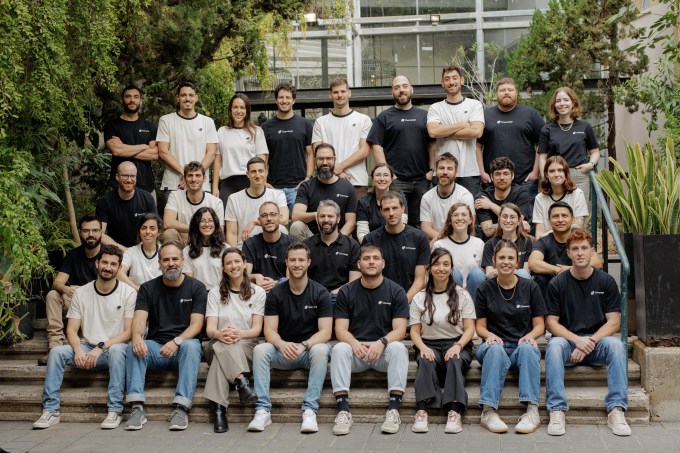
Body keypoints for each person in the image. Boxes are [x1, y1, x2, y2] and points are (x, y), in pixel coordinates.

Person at [33, 245, 136, 430]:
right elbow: (72, 330)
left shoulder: (128, 293)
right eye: (104, 262)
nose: (108, 267)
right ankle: (50, 410)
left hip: (112, 350)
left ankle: (115, 410)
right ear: (97, 263)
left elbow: (128, 332)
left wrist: (101, 347)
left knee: (117, 350)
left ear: (119, 268)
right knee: (56, 352)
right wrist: (78, 349)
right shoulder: (82, 293)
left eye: (113, 264)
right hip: (87, 348)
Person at [544, 229, 631, 437]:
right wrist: (577, 341)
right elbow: (551, 323)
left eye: (584, 248)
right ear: (568, 253)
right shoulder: (557, 283)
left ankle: (616, 409)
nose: (580, 253)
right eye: (575, 249)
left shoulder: (606, 281)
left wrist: (588, 342)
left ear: (593, 251)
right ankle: (556, 409)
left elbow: (614, 322)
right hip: (568, 344)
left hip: (596, 343)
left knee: (617, 345)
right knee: (554, 346)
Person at [248, 243, 332, 434]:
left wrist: (304, 345)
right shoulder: (276, 293)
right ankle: (262, 410)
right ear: (286, 262)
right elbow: (269, 330)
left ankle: (310, 410)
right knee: (260, 349)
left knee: (321, 349)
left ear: (308, 262)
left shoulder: (320, 292)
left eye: (301, 260)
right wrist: (281, 344)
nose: (297, 264)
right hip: (283, 351)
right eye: (292, 260)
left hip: (309, 351)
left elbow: (326, 332)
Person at [125, 242, 206, 431]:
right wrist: (136, 337)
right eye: (166, 260)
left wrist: (177, 341)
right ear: (159, 263)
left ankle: (181, 408)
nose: (171, 263)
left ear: (183, 261)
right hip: (157, 349)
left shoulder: (196, 287)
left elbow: (196, 325)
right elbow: (139, 320)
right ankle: (136, 408)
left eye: (175, 259)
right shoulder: (147, 288)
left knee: (192, 345)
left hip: (183, 349)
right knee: (133, 347)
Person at [331, 244, 410, 436]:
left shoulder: (396, 291)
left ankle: (394, 410)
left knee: (399, 348)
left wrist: (381, 342)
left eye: (375, 258)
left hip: (383, 354)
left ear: (383, 263)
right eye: (366, 258)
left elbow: (400, 330)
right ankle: (343, 411)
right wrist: (355, 344)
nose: (371, 262)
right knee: (339, 349)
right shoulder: (346, 292)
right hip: (357, 353)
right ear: (359, 264)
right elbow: (340, 329)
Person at [474, 240, 547, 434]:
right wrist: (489, 335)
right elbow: (479, 327)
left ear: (517, 262)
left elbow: (540, 325)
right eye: (501, 258)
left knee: (529, 347)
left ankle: (532, 411)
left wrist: (530, 336)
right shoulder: (484, 289)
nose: (506, 262)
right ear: (494, 260)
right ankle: (488, 411)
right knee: (495, 349)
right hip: (492, 348)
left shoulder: (531, 287)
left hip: (519, 349)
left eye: (510, 258)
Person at [409, 248, 476, 434]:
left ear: (451, 268)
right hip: (428, 343)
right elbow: (414, 331)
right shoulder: (419, 297)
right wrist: (422, 347)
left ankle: (454, 411)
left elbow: (470, 329)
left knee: (454, 359)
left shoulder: (462, 295)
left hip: (457, 343)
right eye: (437, 264)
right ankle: (422, 410)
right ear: (429, 268)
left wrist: (458, 346)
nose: (441, 268)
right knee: (425, 360)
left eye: (446, 264)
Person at [204, 248, 265, 433]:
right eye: (228, 263)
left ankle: (219, 411)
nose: (233, 266)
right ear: (223, 268)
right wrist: (220, 334)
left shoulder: (257, 292)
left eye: (237, 261)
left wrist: (238, 334)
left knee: (221, 355)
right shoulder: (214, 293)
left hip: (246, 344)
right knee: (222, 345)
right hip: (217, 343)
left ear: (245, 264)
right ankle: (240, 380)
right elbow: (210, 330)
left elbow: (256, 330)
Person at [368, 75, 435, 225]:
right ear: (392, 92)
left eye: (405, 86)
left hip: (422, 180)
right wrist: (387, 173)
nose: (401, 90)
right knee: (397, 222)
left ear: (411, 89)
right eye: (397, 87)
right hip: (397, 181)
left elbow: (432, 144)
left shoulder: (424, 116)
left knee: (421, 223)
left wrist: (432, 170)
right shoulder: (384, 117)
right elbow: (376, 145)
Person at [42, 215, 102, 365]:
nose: (91, 234)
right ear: (80, 233)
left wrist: (89, 290)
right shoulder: (73, 255)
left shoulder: (108, 255)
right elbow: (57, 283)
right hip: (76, 303)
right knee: (53, 295)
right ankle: (55, 346)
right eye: (86, 231)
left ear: (101, 232)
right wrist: (66, 289)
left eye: (95, 230)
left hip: (100, 305)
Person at [475, 77, 544, 192]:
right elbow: (477, 146)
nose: (506, 92)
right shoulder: (485, 115)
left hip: (525, 180)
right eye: (502, 90)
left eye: (510, 90)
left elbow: (541, 144)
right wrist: (481, 172)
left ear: (516, 92)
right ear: (496, 93)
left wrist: (535, 172)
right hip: (492, 181)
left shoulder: (531, 114)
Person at [427, 65, 485, 194]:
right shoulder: (435, 108)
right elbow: (433, 132)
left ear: (462, 80)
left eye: (454, 78)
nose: (451, 82)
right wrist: (464, 125)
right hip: (443, 171)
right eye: (447, 79)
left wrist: (445, 132)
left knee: (468, 207)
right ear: (442, 83)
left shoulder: (474, 105)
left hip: (469, 171)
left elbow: (476, 131)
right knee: (442, 206)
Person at [538, 87, 600, 207]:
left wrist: (591, 164)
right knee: (555, 212)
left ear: (573, 103)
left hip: (579, 175)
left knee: (579, 212)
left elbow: (595, 152)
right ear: (554, 105)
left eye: (566, 100)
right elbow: (542, 157)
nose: (562, 104)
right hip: (555, 175)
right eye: (558, 101)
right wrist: (545, 177)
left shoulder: (585, 127)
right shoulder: (547, 129)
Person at [312, 77, 372, 199]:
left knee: (359, 212)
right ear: (330, 95)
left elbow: (364, 151)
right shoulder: (320, 122)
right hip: (328, 182)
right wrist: (336, 172)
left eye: (343, 91)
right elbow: (318, 153)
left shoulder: (363, 120)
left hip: (357, 183)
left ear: (349, 93)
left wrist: (339, 167)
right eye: (335, 92)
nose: (339, 95)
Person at [363, 191, 430, 302]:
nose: (391, 213)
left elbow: (420, 279)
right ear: (381, 212)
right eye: (386, 209)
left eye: (395, 208)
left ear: (403, 208)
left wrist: (402, 303)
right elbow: (368, 276)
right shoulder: (370, 239)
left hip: (410, 300)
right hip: (379, 301)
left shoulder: (419, 238)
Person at [528, 201, 602, 295]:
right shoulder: (543, 241)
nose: (560, 220)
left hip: (578, 280)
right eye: (555, 216)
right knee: (539, 278)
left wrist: (571, 269)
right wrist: (558, 270)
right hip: (553, 285)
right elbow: (533, 263)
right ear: (549, 220)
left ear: (572, 219)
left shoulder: (581, 238)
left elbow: (597, 263)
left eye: (564, 216)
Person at [157, 81, 218, 194]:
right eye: (183, 95)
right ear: (178, 98)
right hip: (174, 185)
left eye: (191, 95)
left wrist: (194, 175)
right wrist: (185, 174)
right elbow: (163, 151)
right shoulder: (166, 120)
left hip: (201, 186)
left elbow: (211, 153)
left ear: (196, 98)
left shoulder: (207, 122)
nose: (187, 98)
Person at [262, 82, 314, 213]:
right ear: (276, 100)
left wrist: (308, 179)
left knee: (296, 224)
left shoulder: (305, 124)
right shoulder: (267, 127)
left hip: (298, 187)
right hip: (273, 188)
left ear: (293, 100)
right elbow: (264, 157)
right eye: (281, 97)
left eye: (288, 97)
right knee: (273, 223)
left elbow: (310, 153)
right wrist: (263, 181)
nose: (284, 101)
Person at [290, 143, 357, 241]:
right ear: (315, 161)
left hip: (340, 237)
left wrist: (336, 241)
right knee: (296, 226)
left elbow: (351, 222)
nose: (325, 162)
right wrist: (315, 215)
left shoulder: (347, 187)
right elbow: (296, 215)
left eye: (328, 158)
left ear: (334, 160)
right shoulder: (306, 186)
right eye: (321, 159)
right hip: (312, 239)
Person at [213, 93, 269, 206]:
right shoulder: (222, 131)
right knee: (227, 216)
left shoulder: (256, 132)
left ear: (247, 110)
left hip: (250, 182)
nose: (238, 111)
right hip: (228, 184)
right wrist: (214, 187)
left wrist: (263, 182)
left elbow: (262, 160)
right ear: (230, 110)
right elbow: (218, 161)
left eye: (242, 107)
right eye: (235, 107)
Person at [104, 85, 158, 199]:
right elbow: (116, 151)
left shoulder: (150, 126)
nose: (132, 100)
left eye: (136, 97)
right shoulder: (112, 126)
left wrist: (124, 148)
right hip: (119, 187)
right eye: (128, 96)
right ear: (122, 100)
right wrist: (144, 146)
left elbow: (155, 154)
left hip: (146, 187)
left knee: (151, 212)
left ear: (140, 100)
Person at [225, 156, 288, 249]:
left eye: (261, 171)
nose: (257, 175)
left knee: (282, 229)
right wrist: (235, 254)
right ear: (247, 174)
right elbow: (232, 233)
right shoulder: (234, 199)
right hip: (245, 247)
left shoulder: (277, 195)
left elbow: (284, 219)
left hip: (273, 245)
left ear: (266, 172)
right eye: (253, 171)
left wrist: (255, 222)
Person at [303, 200, 361, 299]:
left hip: (341, 297)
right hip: (313, 297)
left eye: (330, 216)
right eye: (322, 216)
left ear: (338, 219)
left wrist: (331, 295)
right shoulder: (305, 246)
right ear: (317, 219)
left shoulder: (352, 246)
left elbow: (354, 282)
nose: (326, 220)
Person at [96, 161, 157, 250]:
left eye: (132, 176)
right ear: (117, 177)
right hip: (115, 249)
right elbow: (99, 233)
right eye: (125, 176)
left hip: (142, 248)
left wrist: (137, 251)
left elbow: (154, 229)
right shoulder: (105, 201)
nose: (129, 180)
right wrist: (124, 250)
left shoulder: (147, 198)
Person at [163, 161, 225, 248]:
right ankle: (174, 256)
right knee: (169, 234)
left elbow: (219, 230)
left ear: (204, 178)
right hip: (184, 240)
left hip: (205, 241)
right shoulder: (175, 195)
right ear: (184, 178)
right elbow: (167, 222)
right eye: (190, 175)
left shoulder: (216, 202)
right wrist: (196, 228)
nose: (194, 179)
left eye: (198, 175)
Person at [432, 203, 486, 301]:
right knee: (453, 273)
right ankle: (455, 307)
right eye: (455, 215)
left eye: (464, 215)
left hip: (473, 294)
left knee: (477, 273)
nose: (460, 218)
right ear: (450, 220)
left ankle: (477, 309)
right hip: (449, 295)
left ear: (470, 220)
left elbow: (482, 275)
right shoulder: (440, 245)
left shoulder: (479, 244)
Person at [420, 153, 475, 242]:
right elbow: (426, 228)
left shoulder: (465, 196)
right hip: (436, 243)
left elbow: (469, 227)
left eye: (449, 169)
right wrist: (443, 241)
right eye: (441, 168)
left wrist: (445, 241)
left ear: (456, 173)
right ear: (435, 171)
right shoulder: (427, 197)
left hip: (459, 242)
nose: (445, 172)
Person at [474, 157, 533, 239]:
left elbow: (519, 221)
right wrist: (513, 223)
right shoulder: (483, 197)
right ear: (491, 177)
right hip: (492, 242)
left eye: (506, 174)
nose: (502, 178)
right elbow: (488, 231)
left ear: (512, 176)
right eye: (498, 174)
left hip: (516, 240)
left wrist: (491, 205)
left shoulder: (521, 193)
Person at [242, 202, 293, 292]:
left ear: (280, 217)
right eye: (264, 216)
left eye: (273, 214)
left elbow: (292, 276)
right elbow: (244, 275)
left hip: (284, 291)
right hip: (258, 291)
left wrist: (278, 284)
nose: (269, 218)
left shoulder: (292, 243)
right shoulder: (250, 244)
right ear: (259, 220)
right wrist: (256, 277)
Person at [533, 156, 588, 237]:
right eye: (552, 171)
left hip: (571, 241)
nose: (556, 174)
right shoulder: (540, 198)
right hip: (548, 243)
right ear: (546, 174)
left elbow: (577, 229)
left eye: (560, 170)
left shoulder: (577, 194)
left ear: (565, 173)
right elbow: (539, 234)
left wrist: (550, 233)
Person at [357, 163, 407, 243]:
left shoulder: (399, 197)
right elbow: (362, 233)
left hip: (397, 242)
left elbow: (402, 225)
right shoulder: (364, 202)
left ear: (391, 179)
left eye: (386, 175)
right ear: (372, 179)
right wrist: (371, 247)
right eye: (378, 175)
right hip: (372, 245)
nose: (382, 179)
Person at [482, 203, 533, 279]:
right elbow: (489, 274)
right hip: (497, 282)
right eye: (505, 217)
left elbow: (526, 272)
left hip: (519, 282)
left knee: (522, 273)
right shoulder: (490, 244)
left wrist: (503, 271)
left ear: (519, 221)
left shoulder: (526, 241)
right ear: (499, 219)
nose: (508, 220)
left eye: (512, 217)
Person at [182, 207, 227, 292]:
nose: (207, 224)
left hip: (221, 293)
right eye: (202, 221)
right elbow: (189, 281)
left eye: (210, 220)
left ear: (215, 224)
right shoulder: (187, 251)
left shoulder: (225, 248)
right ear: (196, 224)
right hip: (198, 294)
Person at [117, 213, 163, 291]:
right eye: (144, 228)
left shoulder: (165, 251)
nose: (147, 231)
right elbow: (119, 272)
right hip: (137, 294)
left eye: (152, 228)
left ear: (158, 232)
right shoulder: (131, 252)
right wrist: (136, 287)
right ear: (139, 231)